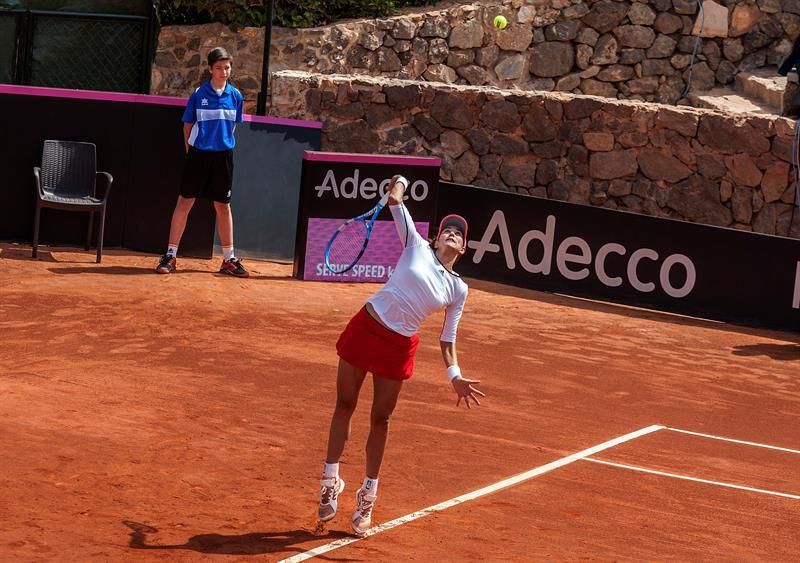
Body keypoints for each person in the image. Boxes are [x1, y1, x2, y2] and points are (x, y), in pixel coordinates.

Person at [316, 175, 485, 537]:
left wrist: (455, 376)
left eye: (459, 234)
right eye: (447, 230)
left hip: (398, 346)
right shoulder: (415, 244)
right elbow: (395, 199)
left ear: (464, 248)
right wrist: (402, 180)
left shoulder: (459, 288)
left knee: (381, 420)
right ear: (436, 237)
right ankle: (330, 480)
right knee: (344, 404)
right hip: (366, 328)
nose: (452, 234)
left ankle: (367, 496)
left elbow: (447, 337)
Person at [156, 47, 249, 277]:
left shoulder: (236, 96)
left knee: (223, 205)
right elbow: (187, 125)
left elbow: (233, 126)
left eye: (227, 67)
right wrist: (192, 151)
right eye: (219, 67)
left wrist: (221, 144)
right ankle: (170, 255)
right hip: (198, 154)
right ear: (210, 69)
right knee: (185, 202)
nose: (224, 71)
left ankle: (229, 259)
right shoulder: (199, 94)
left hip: (223, 156)